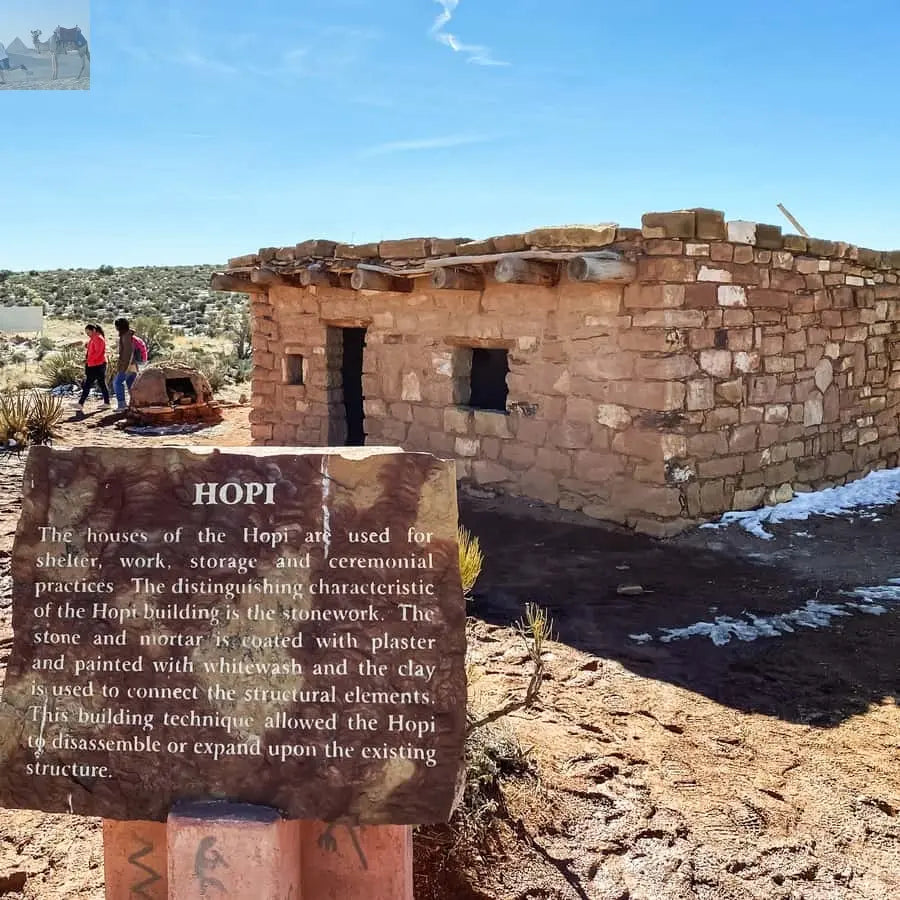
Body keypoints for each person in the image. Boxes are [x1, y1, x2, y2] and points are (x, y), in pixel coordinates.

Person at [75, 324, 110, 416]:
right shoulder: (95, 338)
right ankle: (107, 403)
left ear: (93, 330)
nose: (87, 334)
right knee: (101, 383)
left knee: (89, 383)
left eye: (88, 332)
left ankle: (81, 403)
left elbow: (98, 353)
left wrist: (88, 360)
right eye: (86, 333)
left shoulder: (98, 338)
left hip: (97, 364)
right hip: (96, 364)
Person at [112, 317, 138, 411]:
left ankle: (122, 405)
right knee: (131, 385)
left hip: (127, 366)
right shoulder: (127, 335)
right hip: (132, 365)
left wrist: (125, 367)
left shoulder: (126, 336)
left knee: (117, 383)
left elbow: (128, 353)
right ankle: (135, 403)